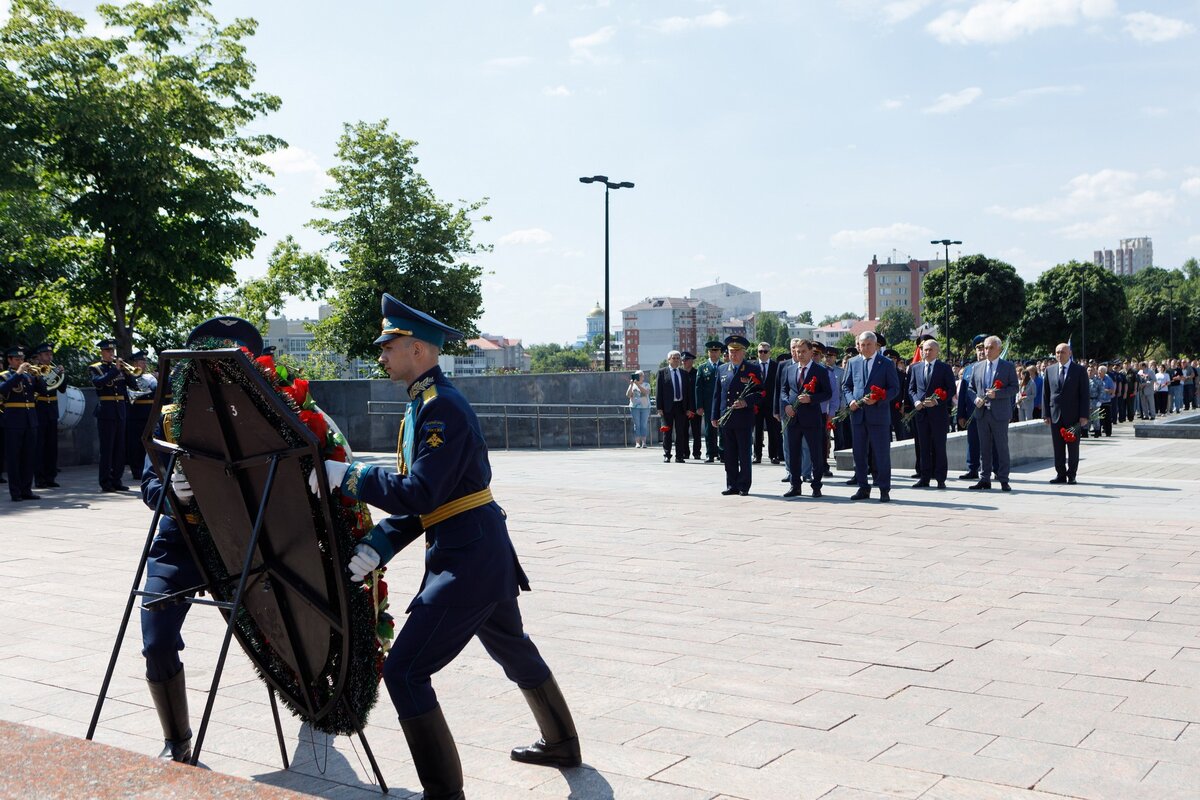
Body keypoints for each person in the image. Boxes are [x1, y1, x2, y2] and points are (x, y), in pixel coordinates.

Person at [311, 294, 580, 800]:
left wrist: (350, 477)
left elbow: (423, 493)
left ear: (417, 349)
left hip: (468, 561)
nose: (382, 355)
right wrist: (382, 541)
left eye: (389, 346)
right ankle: (563, 743)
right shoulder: (424, 404)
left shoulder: (441, 408)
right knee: (513, 648)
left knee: (407, 671)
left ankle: (444, 793)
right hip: (475, 550)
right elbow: (436, 499)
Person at [841, 331, 900, 502]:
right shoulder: (853, 362)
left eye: (868, 344)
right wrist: (851, 400)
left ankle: (884, 488)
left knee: (881, 453)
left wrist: (879, 399)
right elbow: (846, 386)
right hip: (858, 415)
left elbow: (894, 389)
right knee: (859, 453)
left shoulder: (886, 363)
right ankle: (862, 487)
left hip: (879, 415)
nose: (865, 348)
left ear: (875, 345)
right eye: (862, 344)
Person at [778, 338, 832, 498]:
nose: (799, 354)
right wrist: (786, 405)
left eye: (803, 351)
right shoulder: (789, 369)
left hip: (811, 418)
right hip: (793, 418)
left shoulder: (820, 370)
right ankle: (795, 485)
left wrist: (812, 399)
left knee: (815, 453)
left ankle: (816, 485)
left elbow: (827, 393)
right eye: (797, 351)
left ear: (810, 352)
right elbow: (783, 390)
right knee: (793, 453)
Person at [712, 335, 764, 496]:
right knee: (729, 454)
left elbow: (761, 393)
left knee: (744, 454)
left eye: (737, 351)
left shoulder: (752, 369)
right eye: (730, 351)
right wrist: (714, 415)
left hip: (743, 418)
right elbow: (717, 394)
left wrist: (746, 402)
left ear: (743, 352)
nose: (733, 355)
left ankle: (743, 485)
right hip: (726, 417)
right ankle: (731, 484)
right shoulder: (721, 369)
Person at [969, 335, 1018, 492]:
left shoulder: (1007, 367)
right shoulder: (977, 367)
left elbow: (1014, 388)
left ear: (999, 349)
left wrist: (998, 394)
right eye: (985, 348)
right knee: (984, 447)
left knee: (1001, 447)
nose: (987, 351)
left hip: (1000, 413)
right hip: (982, 413)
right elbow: (970, 388)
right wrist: (976, 398)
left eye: (990, 348)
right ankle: (985, 479)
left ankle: (1003, 478)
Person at [908, 339, 956, 489]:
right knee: (923, 447)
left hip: (938, 414)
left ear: (937, 351)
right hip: (921, 414)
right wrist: (916, 401)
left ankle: (940, 478)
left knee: (939, 447)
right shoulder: (915, 368)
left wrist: (937, 401)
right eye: (924, 350)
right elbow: (911, 389)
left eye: (930, 350)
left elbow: (951, 390)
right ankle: (924, 477)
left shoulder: (944, 368)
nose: (926, 352)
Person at [1, 345, 44, 502]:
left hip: (30, 420)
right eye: (17, 359)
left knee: (29, 457)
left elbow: (44, 391)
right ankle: (16, 492)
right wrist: (18, 373)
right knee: (14, 458)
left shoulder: (29, 376)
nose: (21, 361)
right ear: (10, 360)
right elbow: (3, 390)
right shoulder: (5, 376)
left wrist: (38, 377)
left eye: (22, 359)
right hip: (13, 421)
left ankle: (27, 490)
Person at [1044, 343, 1089, 484]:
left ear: (1069, 353)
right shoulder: (1049, 370)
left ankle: (1072, 475)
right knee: (1057, 447)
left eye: (1062, 352)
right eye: (1057, 352)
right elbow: (1046, 394)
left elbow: (1084, 394)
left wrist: (1084, 415)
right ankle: (1060, 474)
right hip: (1055, 414)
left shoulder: (1079, 370)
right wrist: (1046, 414)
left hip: (1074, 415)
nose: (1059, 355)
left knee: (1073, 447)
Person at [91, 339, 132, 492]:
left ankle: (117, 480)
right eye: (108, 351)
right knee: (107, 449)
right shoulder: (96, 368)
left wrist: (128, 373)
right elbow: (99, 383)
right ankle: (105, 482)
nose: (111, 353)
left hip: (120, 410)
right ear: (102, 352)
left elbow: (133, 385)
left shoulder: (120, 369)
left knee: (119, 448)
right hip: (106, 411)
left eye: (112, 351)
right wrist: (115, 370)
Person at [31, 342, 65, 489]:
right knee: (40, 446)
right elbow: (43, 388)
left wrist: (62, 374)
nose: (49, 357)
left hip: (52, 410)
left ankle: (50, 477)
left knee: (52, 446)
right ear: (39, 357)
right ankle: (39, 478)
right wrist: (55, 373)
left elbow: (62, 389)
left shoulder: (53, 370)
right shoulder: (35, 371)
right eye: (46, 354)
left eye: (50, 354)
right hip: (40, 409)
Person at [124, 350, 158, 482]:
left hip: (148, 413)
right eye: (140, 362)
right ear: (134, 363)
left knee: (148, 443)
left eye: (144, 362)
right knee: (135, 444)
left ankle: (147, 469)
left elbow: (155, 390)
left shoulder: (150, 377)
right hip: (135, 413)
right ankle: (136, 470)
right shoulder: (129, 376)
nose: (143, 364)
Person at [956, 335, 987, 480]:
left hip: (990, 412)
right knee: (972, 441)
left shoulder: (997, 367)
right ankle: (972, 468)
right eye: (978, 349)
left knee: (992, 442)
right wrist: (961, 415)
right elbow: (963, 393)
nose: (981, 352)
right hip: (972, 413)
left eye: (984, 348)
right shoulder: (968, 369)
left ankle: (995, 468)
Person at [655, 350, 693, 463]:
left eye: (678, 358)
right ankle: (667, 454)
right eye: (674, 358)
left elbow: (688, 392)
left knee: (680, 432)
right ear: (669, 360)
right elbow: (658, 391)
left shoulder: (684, 373)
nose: (676, 360)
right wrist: (659, 407)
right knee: (667, 432)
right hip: (667, 407)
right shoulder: (662, 372)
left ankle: (679, 456)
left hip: (681, 406)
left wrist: (689, 408)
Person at [752, 342, 782, 464]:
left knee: (773, 430)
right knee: (757, 431)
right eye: (760, 351)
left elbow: (779, 386)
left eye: (765, 351)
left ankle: (773, 455)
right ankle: (757, 455)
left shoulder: (776, 366)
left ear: (770, 353)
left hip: (771, 403)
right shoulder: (753, 366)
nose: (762, 354)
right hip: (757, 404)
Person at [694, 340, 724, 463]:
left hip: (722, 404)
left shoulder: (724, 366)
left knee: (722, 430)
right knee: (709, 430)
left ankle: (722, 453)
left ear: (720, 352)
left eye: (716, 350)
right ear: (708, 352)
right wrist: (699, 405)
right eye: (711, 351)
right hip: (708, 405)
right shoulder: (702, 368)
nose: (713, 353)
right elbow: (698, 388)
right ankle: (710, 453)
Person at [681, 351, 702, 460]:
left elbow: (700, 392)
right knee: (684, 432)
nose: (684, 362)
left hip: (695, 408)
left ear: (691, 361)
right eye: (683, 360)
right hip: (683, 409)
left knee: (696, 432)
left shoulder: (697, 373)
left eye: (686, 360)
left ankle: (697, 452)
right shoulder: (680, 373)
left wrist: (698, 407)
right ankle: (685, 452)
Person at [626, 370, 651, 448]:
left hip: (645, 407)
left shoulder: (647, 384)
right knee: (637, 425)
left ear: (643, 377)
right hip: (634, 407)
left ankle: (644, 442)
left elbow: (645, 393)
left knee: (643, 424)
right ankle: (637, 442)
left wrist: (638, 385)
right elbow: (628, 395)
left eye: (640, 375)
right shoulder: (633, 385)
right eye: (637, 375)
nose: (639, 377)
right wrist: (631, 385)